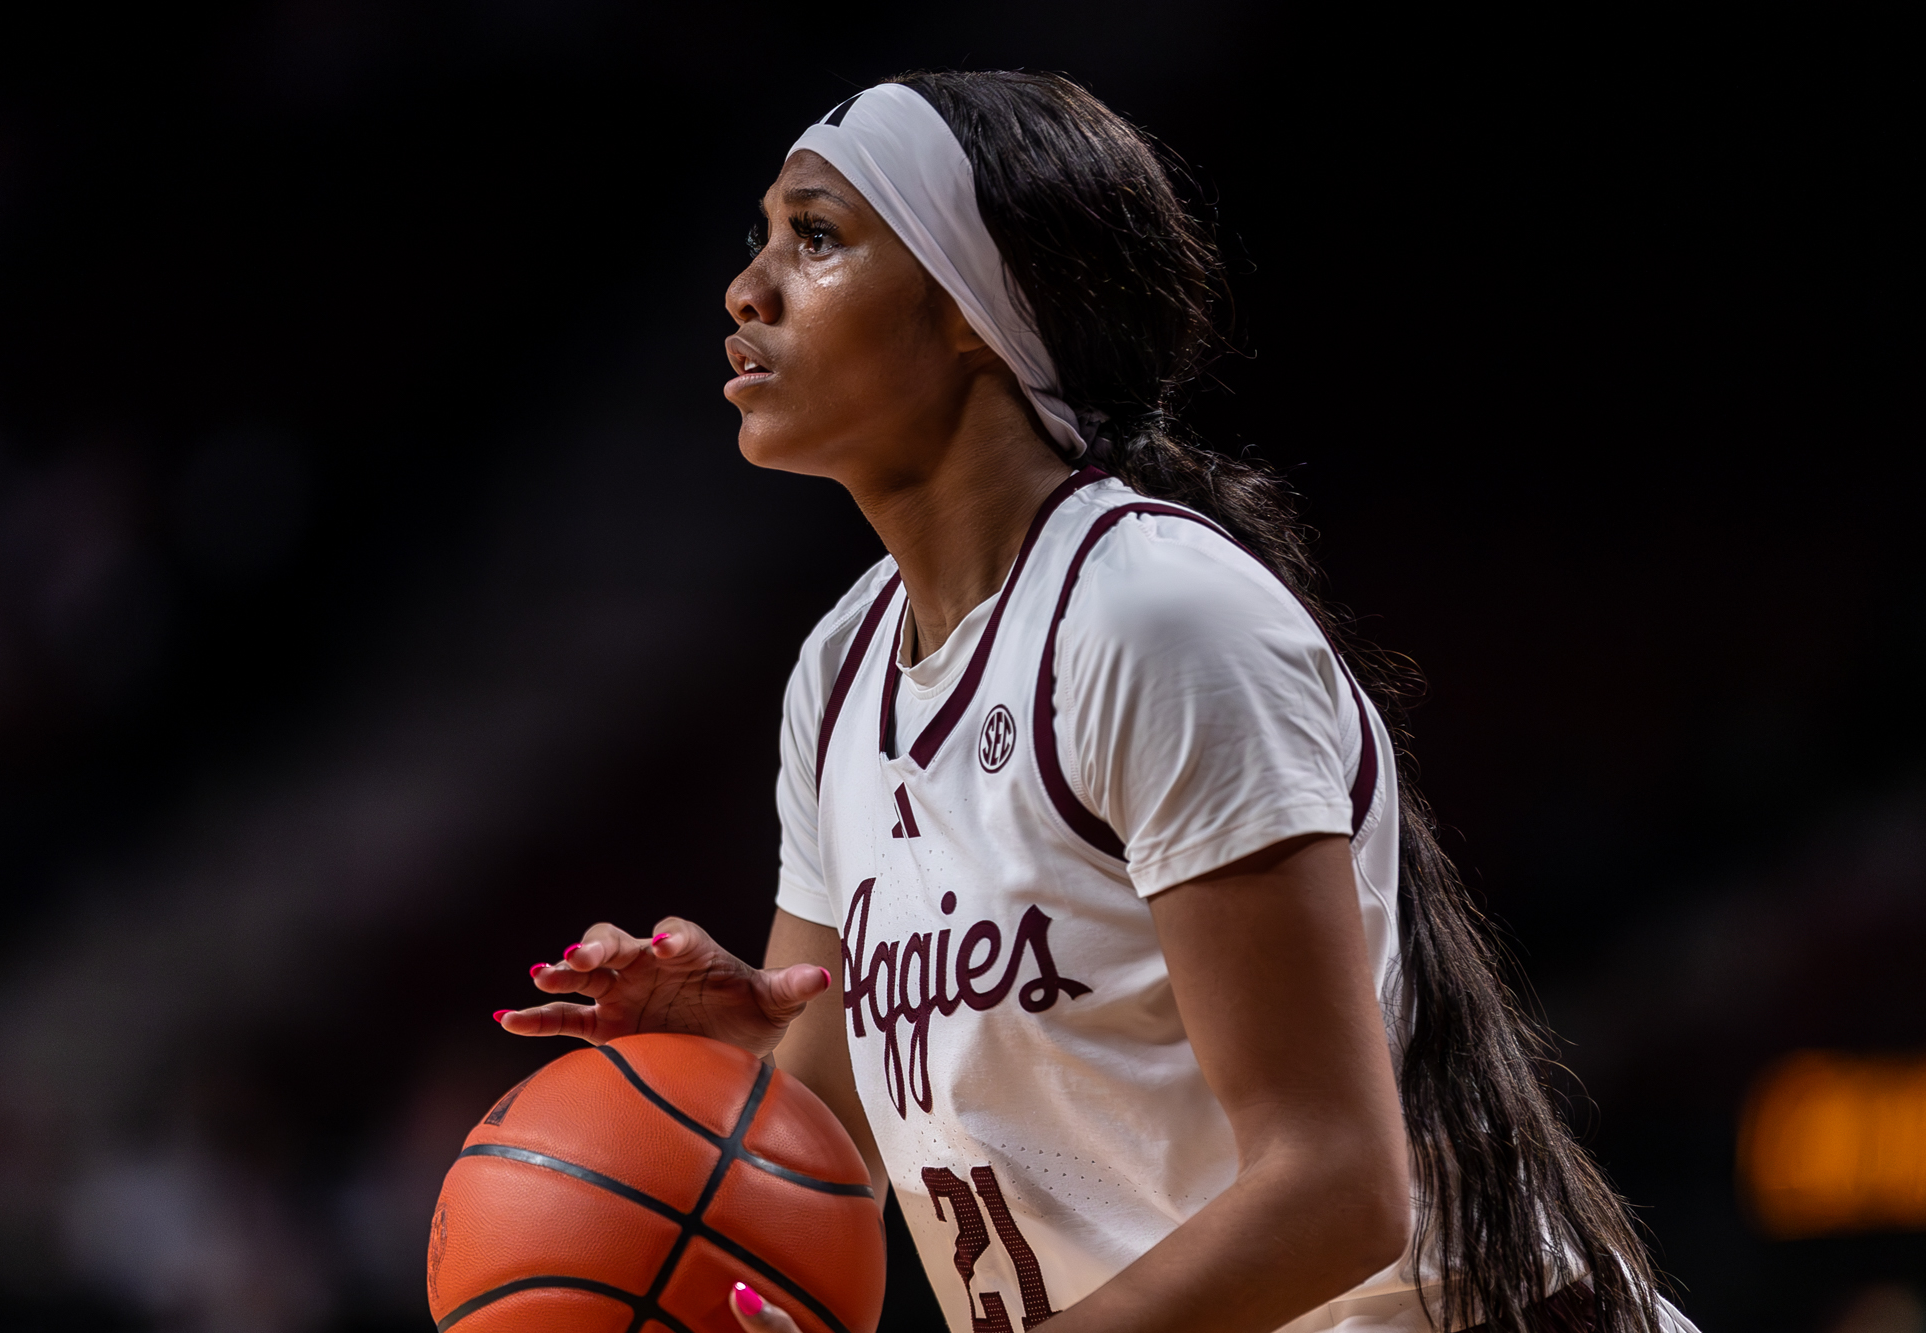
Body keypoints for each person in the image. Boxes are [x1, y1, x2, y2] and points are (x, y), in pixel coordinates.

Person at [498, 72, 1696, 1333]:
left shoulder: (1151, 615)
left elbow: (1338, 1185)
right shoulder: (842, 667)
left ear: (972, 307)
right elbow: (824, 1161)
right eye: (760, 239)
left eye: (815, 236)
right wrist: (738, 1059)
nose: (748, 289)